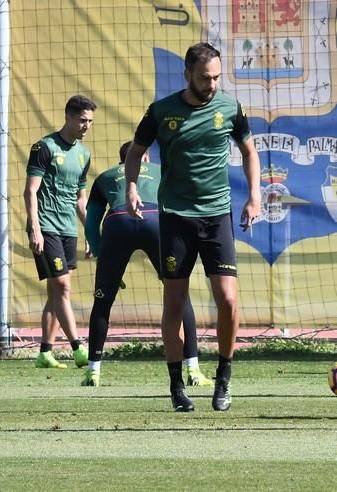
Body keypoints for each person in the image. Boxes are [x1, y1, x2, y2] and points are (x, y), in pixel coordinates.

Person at [125, 42, 261, 412]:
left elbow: (250, 152)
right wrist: (132, 187)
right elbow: (136, 152)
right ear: (187, 74)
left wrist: (254, 196)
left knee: (229, 301)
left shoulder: (230, 107)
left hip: (217, 216)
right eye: (205, 77)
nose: (212, 83)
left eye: (217, 77)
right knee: (174, 302)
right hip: (175, 218)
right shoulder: (162, 111)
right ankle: (176, 387)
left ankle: (224, 380)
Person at [82, 140, 213, 387]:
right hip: (155, 220)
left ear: (123, 160)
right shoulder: (161, 170)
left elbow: (91, 225)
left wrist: (104, 259)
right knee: (180, 296)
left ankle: (93, 372)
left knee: (103, 300)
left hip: (117, 222)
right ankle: (193, 370)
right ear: (145, 158)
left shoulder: (105, 177)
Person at [24, 95, 94, 370]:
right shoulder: (44, 147)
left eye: (89, 121)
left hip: (68, 229)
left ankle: (45, 352)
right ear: (68, 116)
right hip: (46, 227)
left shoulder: (84, 154)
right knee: (63, 286)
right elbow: (30, 190)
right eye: (82, 120)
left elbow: (80, 200)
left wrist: (91, 233)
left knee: (57, 292)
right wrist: (35, 229)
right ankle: (78, 348)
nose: (86, 126)